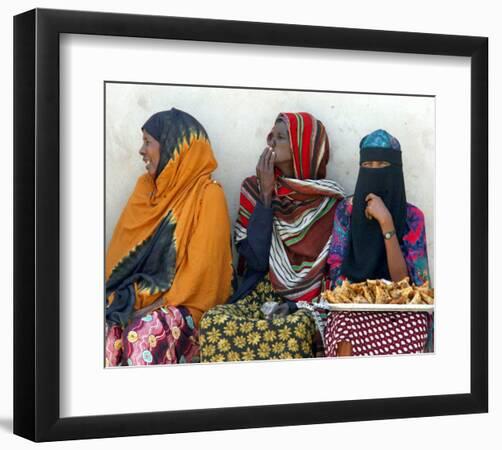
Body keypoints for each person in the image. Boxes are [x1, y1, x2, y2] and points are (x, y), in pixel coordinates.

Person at [199, 112, 345, 362]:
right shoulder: (254, 188)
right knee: (216, 320)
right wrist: (266, 196)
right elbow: (254, 260)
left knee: (293, 328)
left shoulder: (328, 201)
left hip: (305, 302)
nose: (271, 143)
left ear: (303, 146)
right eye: (271, 137)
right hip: (262, 295)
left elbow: (333, 271)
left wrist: (304, 304)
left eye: (280, 137)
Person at [105, 108, 233, 366]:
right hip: (144, 299)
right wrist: (130, 302)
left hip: (189, 308)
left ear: (175, 148)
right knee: (109, 334)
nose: (141, 151)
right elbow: (120, 258)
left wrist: (149, 308)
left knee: (142, 335)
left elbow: (200, 277)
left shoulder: (208, 195)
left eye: (148, 142)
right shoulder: (146, 189)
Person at [324, 129, 432, 357]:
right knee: (344, 331)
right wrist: (364, 297)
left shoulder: (413, 217)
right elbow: (337, 276)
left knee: (414, 330)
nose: (373, 171)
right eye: (367, 165)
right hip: (353, 307)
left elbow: (410, 285)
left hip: (400, 310)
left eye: (381, 165)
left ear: (396, 170)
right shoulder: (347, 211)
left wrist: (386, 222)